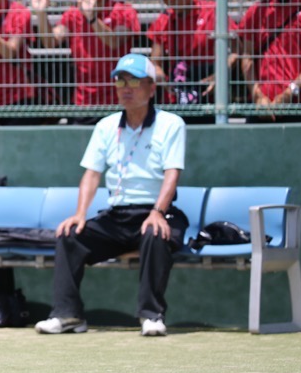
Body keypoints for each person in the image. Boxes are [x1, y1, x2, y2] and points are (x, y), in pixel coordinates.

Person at [34, 53, 187, 337]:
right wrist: (80, 214)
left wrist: (157, 211)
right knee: (69, 237)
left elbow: (172, 173)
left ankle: (152, 315)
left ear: (151, 88)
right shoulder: (105, 126)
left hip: (158, 212)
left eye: (134, 81)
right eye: (120, 80)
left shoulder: (172, 124)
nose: (125, 87)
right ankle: (68, 315)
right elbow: (91, 174)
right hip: (117, 217)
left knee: (156, 233)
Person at [31, 0, 140, 116]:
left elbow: (115, 42)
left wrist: (92, 18)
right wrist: (41, 14)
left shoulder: (124, 11)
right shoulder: (73, 13)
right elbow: (50, 41)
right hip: (84, 103)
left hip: (119, 103)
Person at [147, 0, 240, 120]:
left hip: (211, 97)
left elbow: (238, 51)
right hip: (178, 97)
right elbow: (155, 63)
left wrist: (220, 75)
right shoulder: (164, 20)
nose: (168, 2)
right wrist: (161, 78)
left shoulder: (212, 12)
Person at [239, 0, 301, 122]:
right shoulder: (257, 11)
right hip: (261, 106)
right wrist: (257, 95)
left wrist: (290, 93)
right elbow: (247, 56)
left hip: (300, 106)